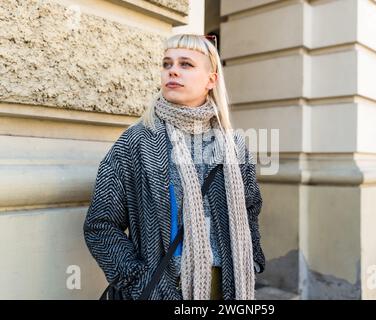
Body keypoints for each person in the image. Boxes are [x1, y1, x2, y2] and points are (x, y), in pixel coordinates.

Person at [83, 33, 265, 300]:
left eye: (186, 65)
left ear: (211, 80)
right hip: (162, 288)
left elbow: (250, 207)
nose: (173, 72)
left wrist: (252, 259)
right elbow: (101, 224)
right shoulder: (138, 141)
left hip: (226, 288)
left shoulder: (234, 144)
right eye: (167, 64)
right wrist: (141, 282)